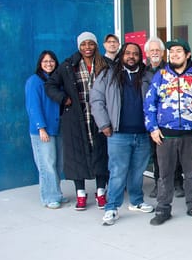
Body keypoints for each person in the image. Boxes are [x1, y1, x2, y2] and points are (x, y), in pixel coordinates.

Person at [144, 39, 192, 225]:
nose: (174, 54)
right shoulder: (161, 75)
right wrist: (153, 128)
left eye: (179, 51)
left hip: (191, 134)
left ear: (188, 54)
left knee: (191, 173)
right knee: (165, 174)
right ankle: (163, 209)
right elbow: (150, 103)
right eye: (171, 51)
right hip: (165, 135)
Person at [90, 42, 154, 226]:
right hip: (118, 133)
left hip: (142, 133)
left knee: (138, 171)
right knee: (118, 171)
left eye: (135, 53)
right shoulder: (107, 75)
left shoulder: (147, 76)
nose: (131, 56)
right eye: (128, 53)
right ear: (121, 55)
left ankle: (136, 201)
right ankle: (112, 208)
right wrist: (103, 124)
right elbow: (96, 100)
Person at [45, 32, 109, 210]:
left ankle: (101, 191)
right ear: (79, 46)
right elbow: (50, 85)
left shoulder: (105, 64)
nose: (87, 47)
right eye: (83, 44)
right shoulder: (68, 65)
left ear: (96, 45)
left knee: (101, 153)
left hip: (100, 116)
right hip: (75, 117)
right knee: (76, 155)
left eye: (90, 44)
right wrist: (63, 98)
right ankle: (81, 193)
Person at [25, 50, 64, 209]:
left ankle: (56, 194)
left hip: (57, 128)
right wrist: (41, 128)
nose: (49, 64)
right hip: (43, 130)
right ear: (40, 64)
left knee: (58, 164)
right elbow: (33, 107)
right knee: (47, 163)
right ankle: (49, 197)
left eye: (52, 61)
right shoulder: (34, 81)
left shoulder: (57, 81)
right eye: (45, 61)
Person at [143, 36, 167, 199]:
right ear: (147, 53)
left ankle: (177, 182)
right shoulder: (142, 72)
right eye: (152, 50)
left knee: (174, 153)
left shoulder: (170, 69)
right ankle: (159, 183)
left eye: (157, 50)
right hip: (150, 118)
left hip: (168, 117)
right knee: (156, 153)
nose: (155, 53)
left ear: (163, 52)